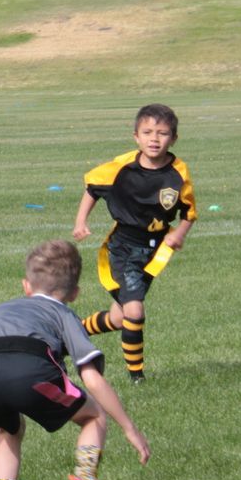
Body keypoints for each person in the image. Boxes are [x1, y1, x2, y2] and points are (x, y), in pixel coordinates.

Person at [0, 238, 149, 480]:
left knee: (9, 430)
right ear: (74, 293)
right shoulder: (63, 314)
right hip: (31, 372)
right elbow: (91, 378)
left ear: (26, 285)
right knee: (94, 414)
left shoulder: (0, 309)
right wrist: (129, 428)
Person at [71, 103, 196, 383]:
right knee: (135, 311)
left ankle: (69, 334)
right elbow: (92, 189)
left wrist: (179, 233)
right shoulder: (121, 168)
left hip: (154, 252)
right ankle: (137, 377)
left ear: (173, 138)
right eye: (148, 132)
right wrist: (81, 221)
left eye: (162, 133)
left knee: (120, 318)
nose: (154, 139)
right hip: (124, 248)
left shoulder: (178, 172)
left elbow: (189, 211)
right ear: (136, 136)